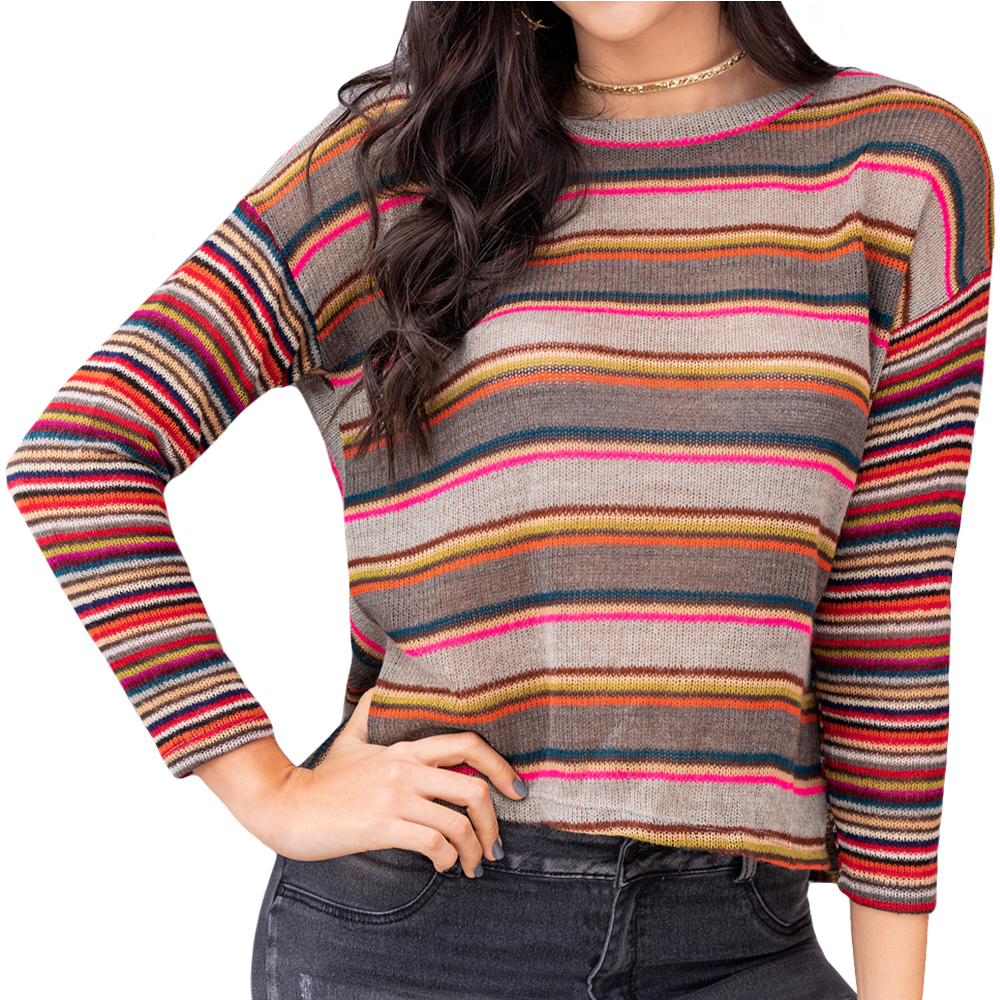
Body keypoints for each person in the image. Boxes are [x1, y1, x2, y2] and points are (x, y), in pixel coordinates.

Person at [5, 2, 992, 998]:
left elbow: (888, 616)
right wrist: (269, 791)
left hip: (736, 941)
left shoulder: (900, 170)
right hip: (423, 934)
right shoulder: (404, 158)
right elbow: (81, 453)